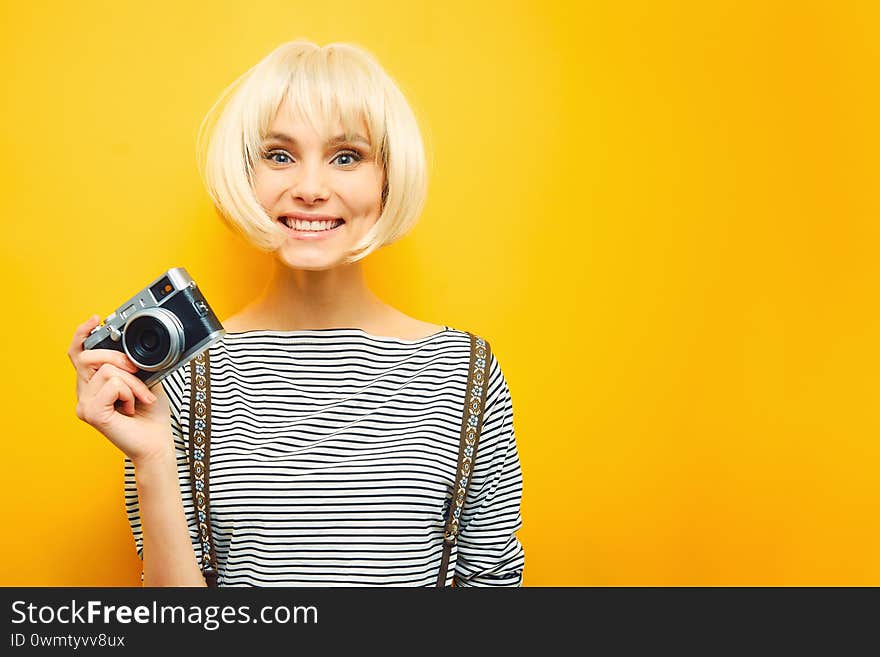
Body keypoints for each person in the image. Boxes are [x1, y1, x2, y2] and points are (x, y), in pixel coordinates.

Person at [68, 40, 524, 586]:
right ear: (246, 173)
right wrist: (153, 459)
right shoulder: (185, 377)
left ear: (387, 177)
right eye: (279, 155)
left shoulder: (464, 371)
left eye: (347, 156)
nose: (310, 189)